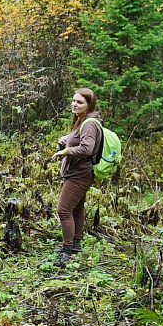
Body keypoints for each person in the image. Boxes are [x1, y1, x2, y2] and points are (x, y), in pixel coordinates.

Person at [51, 88, 103, 266]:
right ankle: (76, 245)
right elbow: (79, 140)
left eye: (79, 102)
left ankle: (67, 251)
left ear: (89, 105)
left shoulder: (89, 123)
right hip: (77, 172)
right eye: (73, 100)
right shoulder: (83, 120)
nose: (74, 104)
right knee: (77, 209)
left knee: (64, 210)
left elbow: (86, 149)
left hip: (79, 174)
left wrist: (64, 151)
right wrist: (66, 139)